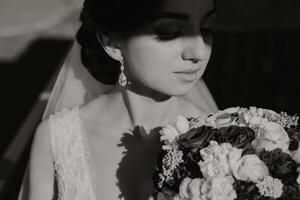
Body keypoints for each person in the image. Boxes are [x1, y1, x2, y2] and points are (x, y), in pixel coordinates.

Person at [23, 0, 217, 199]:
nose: (200, 52)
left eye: (206, 28)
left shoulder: (222, 141)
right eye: (169, 31)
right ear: (112, 43)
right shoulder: (57, 138)